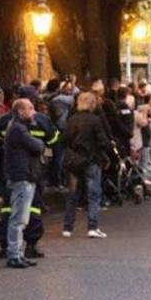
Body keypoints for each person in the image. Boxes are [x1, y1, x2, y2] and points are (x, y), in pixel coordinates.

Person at [2, 99, 45, 268]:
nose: (34, 112)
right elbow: (37, 145)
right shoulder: (19, 130)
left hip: (25, 176)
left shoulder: (18, 128)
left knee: (21, 218)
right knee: (19, 218)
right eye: (30, 108)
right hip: (22, 176)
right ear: (20, 111)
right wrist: (39, 144)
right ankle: (14, 254)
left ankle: (18, 253)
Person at [62, 92, 111, 238]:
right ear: (92, 104)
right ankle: (92, 226)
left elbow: (64, 139)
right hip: (91, 160)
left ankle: (67, 227)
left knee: (72, 194)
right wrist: (107, 151)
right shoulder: (95, 120)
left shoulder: (71, 120)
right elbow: (102, 141)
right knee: (93, 194)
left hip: (74, 160)